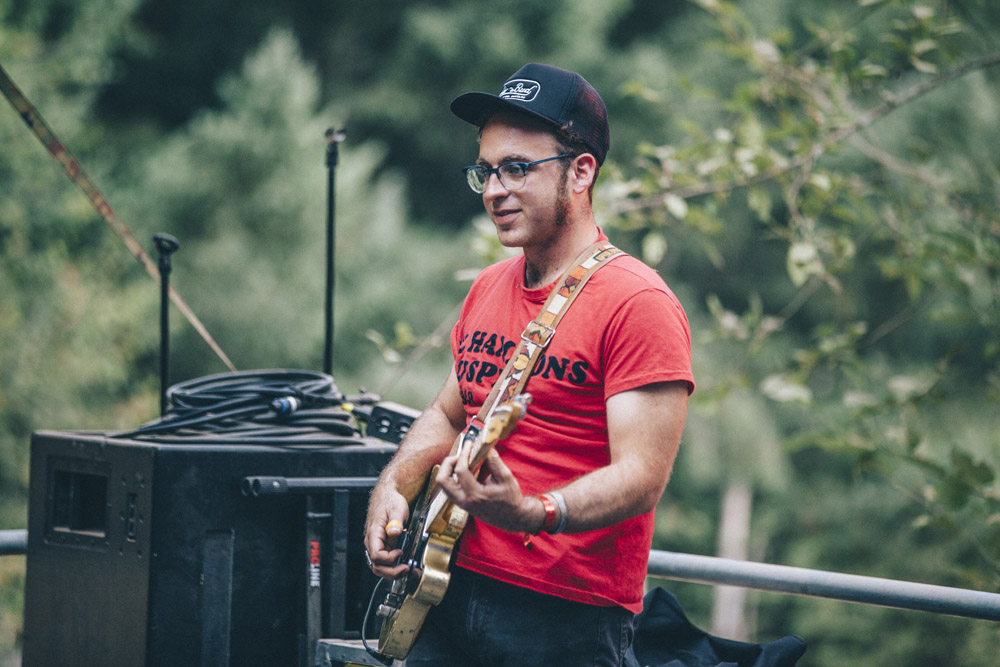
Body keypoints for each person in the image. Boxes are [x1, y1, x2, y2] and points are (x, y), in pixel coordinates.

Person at [364, 62, 694, 666]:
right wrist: (394, 485)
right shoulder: (489, 286)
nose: (494, 189)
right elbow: (448, 410)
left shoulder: (639, 303)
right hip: (443, 582)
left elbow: (643, 476)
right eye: (485, 171)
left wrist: (534, 513)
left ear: (581, 172)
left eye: (517, 168)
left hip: (564, 617)